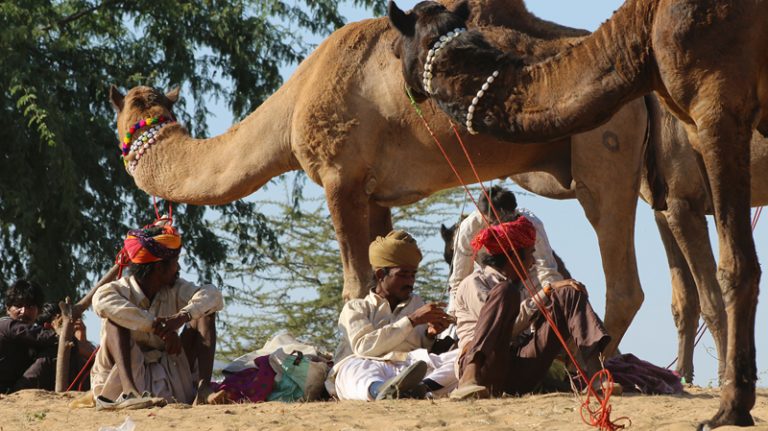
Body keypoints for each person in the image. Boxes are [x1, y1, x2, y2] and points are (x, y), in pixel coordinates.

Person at [451, 216, 614, 399]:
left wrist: (551, 301)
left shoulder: (520, 285)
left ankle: (597, 376)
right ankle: (469, 377)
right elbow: (500, 328)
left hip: (516, 368)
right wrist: (545, 292)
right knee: (506, 292)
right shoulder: (474, 282)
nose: (533, 262)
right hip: (486, 369)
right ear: (514, 255)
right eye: (530, 254)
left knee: (568, 293)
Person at [90, 223, 224, 409]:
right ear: (160, 267)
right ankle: (130, 394)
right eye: (175, 262)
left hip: (171, 375)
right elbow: (100, 301)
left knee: (205, 314)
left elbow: (213, 296)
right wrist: (155, 326)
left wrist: (181, 318)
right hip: (119, 378)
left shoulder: (176, 288)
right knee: (115, 321)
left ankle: (203, 388)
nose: (178, 268)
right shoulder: (119, 290)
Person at [326, 230, 458, 401]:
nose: (410, 282)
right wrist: (412, 320)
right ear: (381, 274)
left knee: (461, 356)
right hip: (368, 366)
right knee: (351, 369)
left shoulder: (416, 303)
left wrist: (429, 335)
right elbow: (364, 347)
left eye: (413, 275)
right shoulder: (356, 308)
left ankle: (417, 389)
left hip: (408, 368)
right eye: (403, 275)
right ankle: (381, 391)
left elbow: (420, 351)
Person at [447, 185, 562, 314]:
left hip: (530, 280)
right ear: (482, 215)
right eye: (494, 221)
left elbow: (547, 270)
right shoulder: (468, 230)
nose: (500, 225)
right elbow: (460, 278)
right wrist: (454, 314)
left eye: (506, 220)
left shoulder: (530, 224)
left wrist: (555, 300)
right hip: (490, 284)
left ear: (514, 212)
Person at [0, 280, 59, 393]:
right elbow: (47, 337)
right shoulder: (6, 325)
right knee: (55, 349)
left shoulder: (30, 339)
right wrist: (66, 337)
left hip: (11, 389)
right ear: (8, 309)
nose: (24, 311)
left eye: (30, 306)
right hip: (6, 391)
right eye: (18, 306)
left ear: (39, 310)